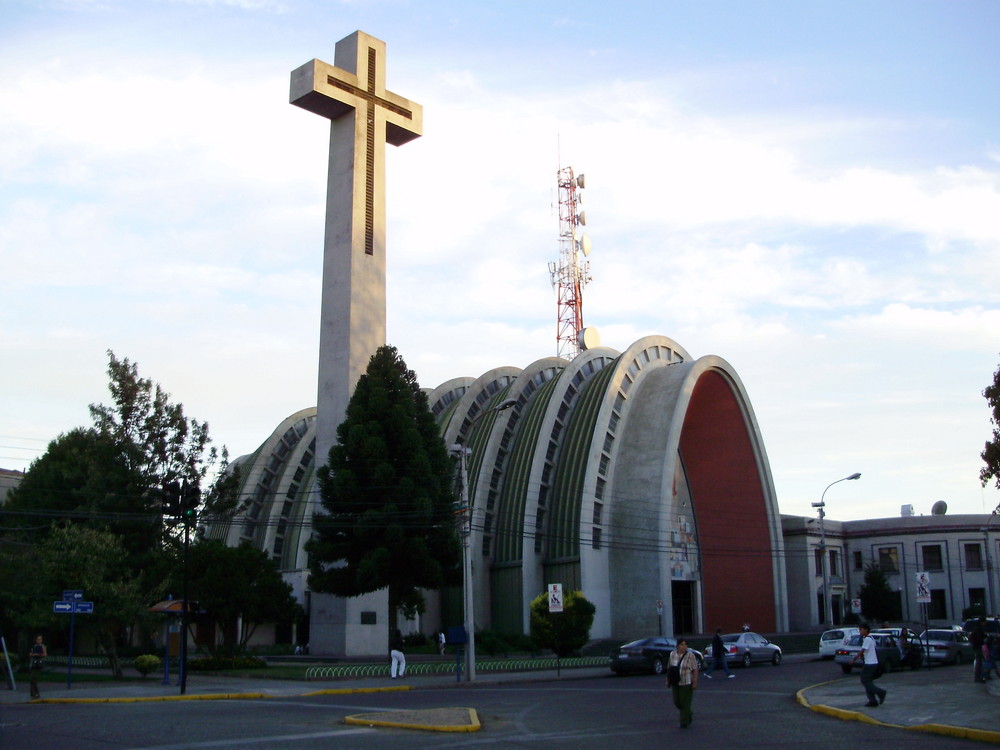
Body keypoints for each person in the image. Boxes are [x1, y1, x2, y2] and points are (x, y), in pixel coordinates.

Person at [851, 623, 886, 707]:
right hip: (871, 662)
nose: (860, 631)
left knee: (864, 680)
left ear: (866, 630)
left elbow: (862, 651)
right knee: (868, 681)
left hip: (870, 663)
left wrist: (854, 659)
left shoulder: (867, 639)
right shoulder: (871, 638)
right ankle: (872, 700)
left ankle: (880, 692)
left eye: (861, 629)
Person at [667, 638, 699, 728]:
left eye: (685, 644)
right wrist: (667, 680)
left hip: (686, 682)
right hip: (675, 681)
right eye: (682, 644)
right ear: (677, 646)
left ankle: (684, 722)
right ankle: (688, 712)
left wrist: (695, 682)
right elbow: (669, 667)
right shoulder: (672, 654)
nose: (684, 646)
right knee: (677, 701)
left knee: (685, 702)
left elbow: (695, 669)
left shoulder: (690, 655)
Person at [28, 634, 47, 700]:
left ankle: (36, 693)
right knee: (32, 679)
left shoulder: (42, 646)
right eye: (38, 639)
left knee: (33, 678)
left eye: (40, 639)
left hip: (38, 663)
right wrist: (33, 654)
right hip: (33, 663)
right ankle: (33, 693)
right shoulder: (34, 646)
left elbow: (44, 654)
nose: (39, 640)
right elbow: (30, 654)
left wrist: (38, 654)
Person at [970, 616, 988, 683]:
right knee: (979, 663)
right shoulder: (978, 629)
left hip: (978, 647)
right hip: (978, 647)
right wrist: (984, 640)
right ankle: (978, 677)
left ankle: (980, 677)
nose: (985, 623)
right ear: (981, 622)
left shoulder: (978, 629)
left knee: (980, 662)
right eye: (984, 622)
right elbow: (980, 639)